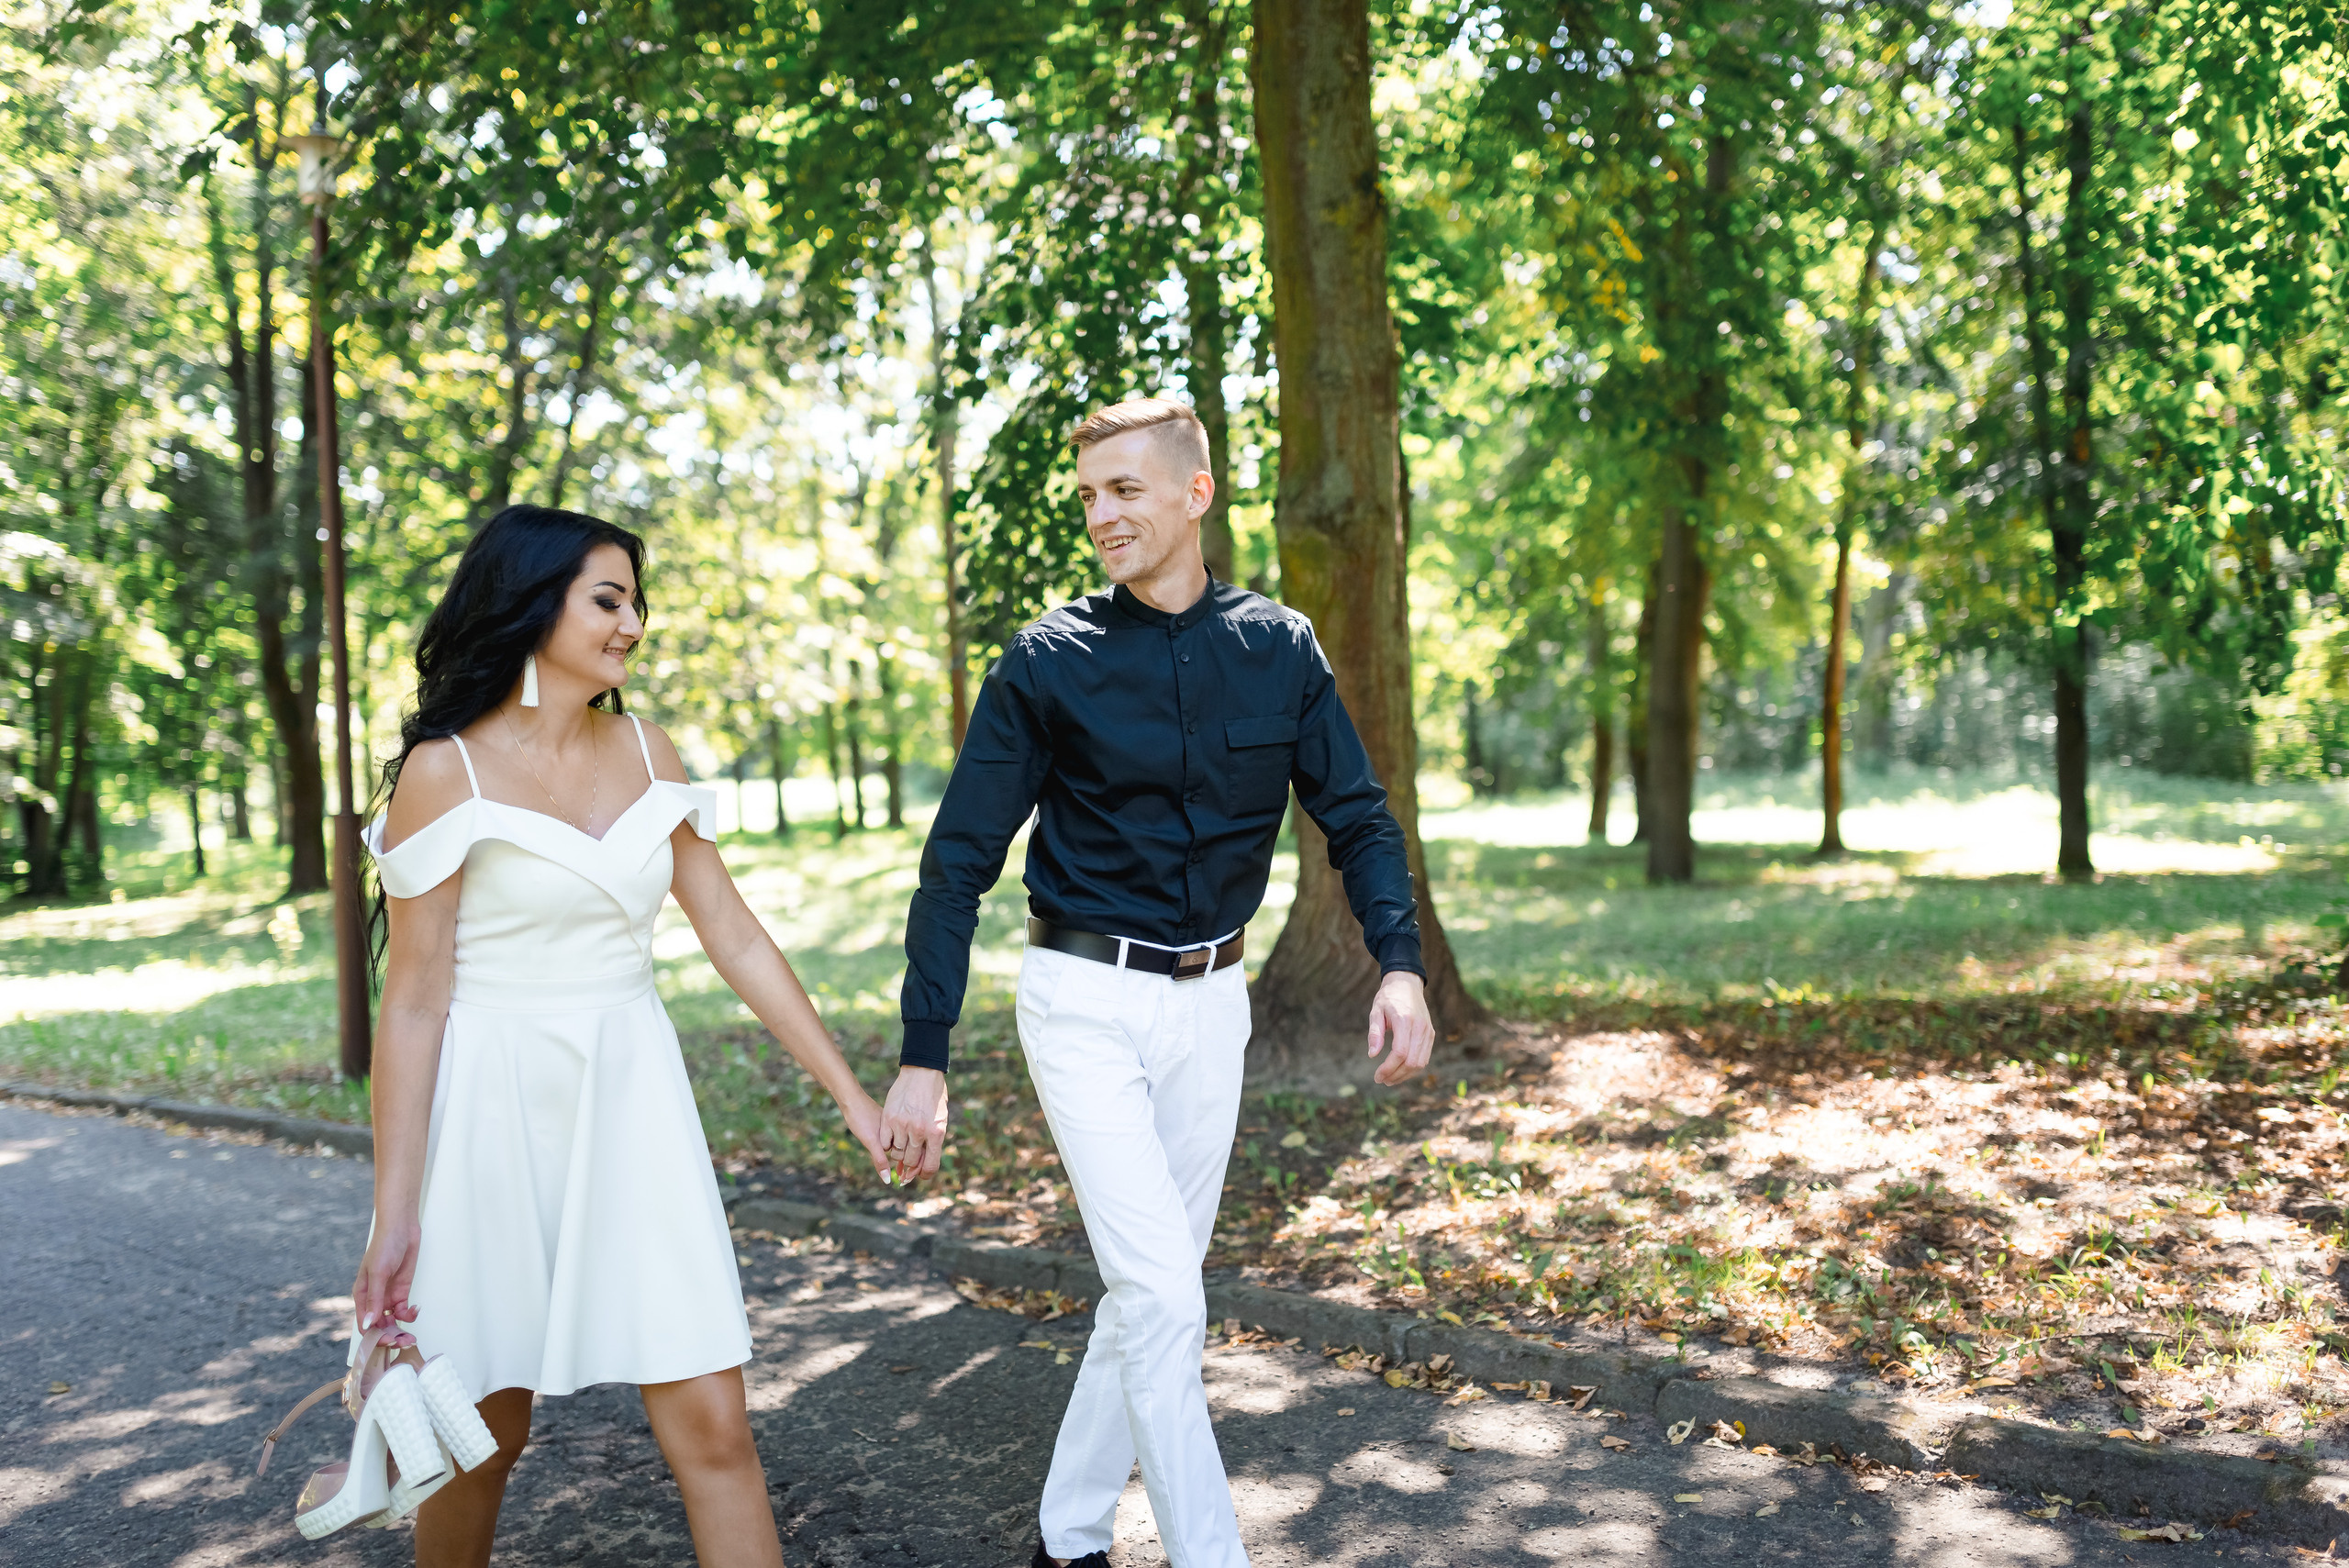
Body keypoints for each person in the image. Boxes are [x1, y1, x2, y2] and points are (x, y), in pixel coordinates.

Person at [876, 398, 1437, 1568]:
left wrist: (1399, 962)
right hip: (1081, 1000)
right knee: (1167, 1297)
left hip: (1213, 1002)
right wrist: (924, 1052)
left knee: (1151, 1292)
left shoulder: (1279, 646)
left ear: (1196, 492)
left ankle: (1066, 1533)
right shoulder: (1047, 660)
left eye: (1124, 489)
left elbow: (1358, 816)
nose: (1101, 514)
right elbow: (956, 862)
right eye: (1088, 495)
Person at [348, 505, 893, 1568]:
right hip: (491, 1122)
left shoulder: (649, 749)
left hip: (635, 1108)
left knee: (717, 1428)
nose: (632, 624)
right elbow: (411, 1001)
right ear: (532, 602)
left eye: (637, 602)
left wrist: (851, 1095)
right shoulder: (444, 771)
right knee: (478, 1443)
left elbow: (732, 931)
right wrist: (396, 1211)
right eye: (608, 599)